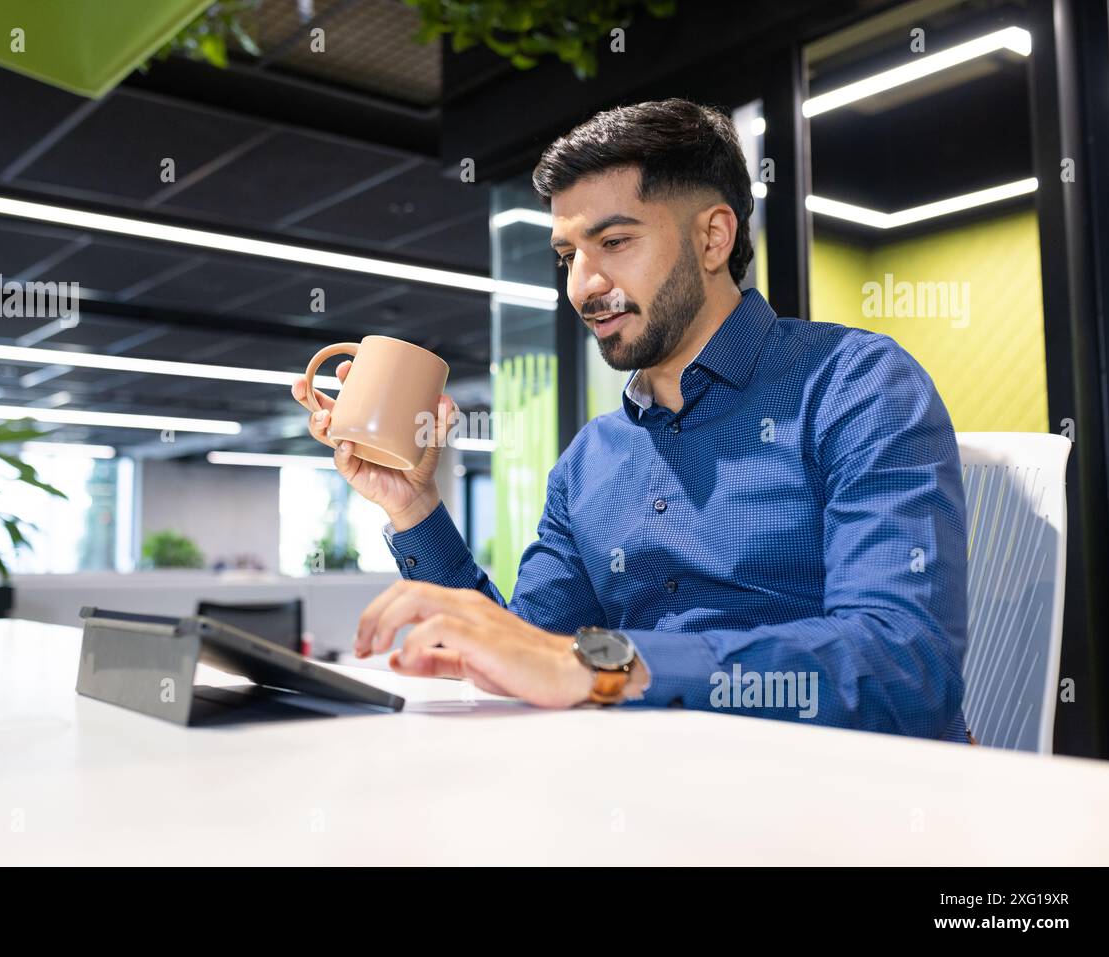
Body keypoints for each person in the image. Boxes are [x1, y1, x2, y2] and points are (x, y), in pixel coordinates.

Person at [290, 98, 970, 741]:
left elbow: (905, 666)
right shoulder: (591, 461)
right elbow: (524, 648)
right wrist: (413, 507)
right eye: (568, 256)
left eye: (614, 241)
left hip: (833, 792)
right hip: (637, 788)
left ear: (713, 237)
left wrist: (606, 667)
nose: (582, 285)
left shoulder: (857, 386)